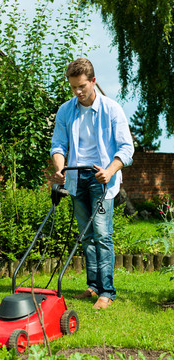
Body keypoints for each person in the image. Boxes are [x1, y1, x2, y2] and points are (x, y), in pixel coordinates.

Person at [50, 58, 134, 309]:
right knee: (85, 236)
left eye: (82, 86)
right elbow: (58, 145)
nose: (77, 92)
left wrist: (109, 171)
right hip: (76, 177)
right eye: (73, 87)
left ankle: (107, 291)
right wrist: (59, 169)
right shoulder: (66, 110)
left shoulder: (112, 109)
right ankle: (93, 286)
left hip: (101, 178)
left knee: (101, 233)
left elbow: (127, 148)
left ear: (93, 81)